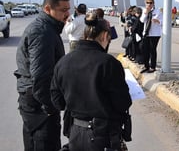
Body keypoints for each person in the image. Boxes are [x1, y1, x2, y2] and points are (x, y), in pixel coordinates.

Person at [51, 12, 132, 151]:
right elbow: (122, 103)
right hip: (104, 135)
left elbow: (58, 101)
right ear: (105, 36)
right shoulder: (109, 63)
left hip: (75, 133)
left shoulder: (63, 62)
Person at [14, 0, 71, 151]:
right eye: (63, 10)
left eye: (68, 9)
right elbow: (41, 78)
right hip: (39, 108)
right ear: (47, 9)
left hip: (38, 104)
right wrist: (52, 107)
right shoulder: (42, 32)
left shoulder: (49, 29)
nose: (67, 14)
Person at [140, 0, 163, 73]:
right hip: (146, 33)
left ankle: (153, 67)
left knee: (152, 50)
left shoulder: (158, 11)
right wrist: (146, 13)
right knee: (145, 50)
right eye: (147, 3)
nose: (149, 4)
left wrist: (158, 21)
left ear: (153, 3)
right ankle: (146, 66)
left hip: (155, 34)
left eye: (151, 3)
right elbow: (142, 20)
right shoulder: (144, 10)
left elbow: (163, 21)